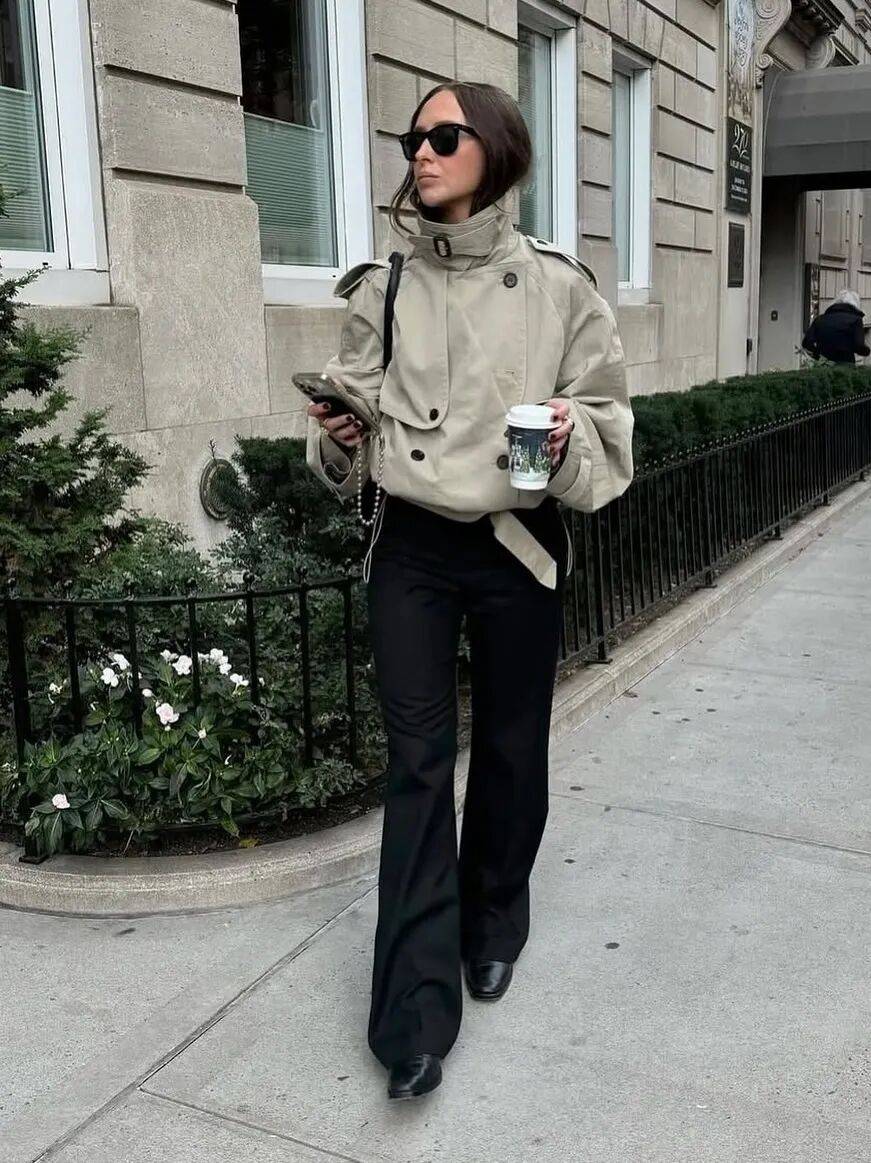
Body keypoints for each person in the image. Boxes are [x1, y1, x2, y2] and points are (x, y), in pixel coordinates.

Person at [304, 81, 634, 1100]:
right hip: (410, 546)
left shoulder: (560, 288)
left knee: (508, 746)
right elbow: (345, 437)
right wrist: (337, 438)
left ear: (495, 148)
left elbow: (610, 433)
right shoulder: (382, 285)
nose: (421, 151)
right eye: (412, 136)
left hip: (515, 544)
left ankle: (494, 918)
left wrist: (570, 439)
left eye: (443, 136)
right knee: (416, 765)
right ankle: (412, 1015)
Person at [802, 289, 870, 364]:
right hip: (846, 364)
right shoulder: (856, 320)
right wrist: (867, 351)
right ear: (855, 305)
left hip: (823, 364)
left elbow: (806, 343)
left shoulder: (819, 319)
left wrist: (818, 355)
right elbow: (859, 346)